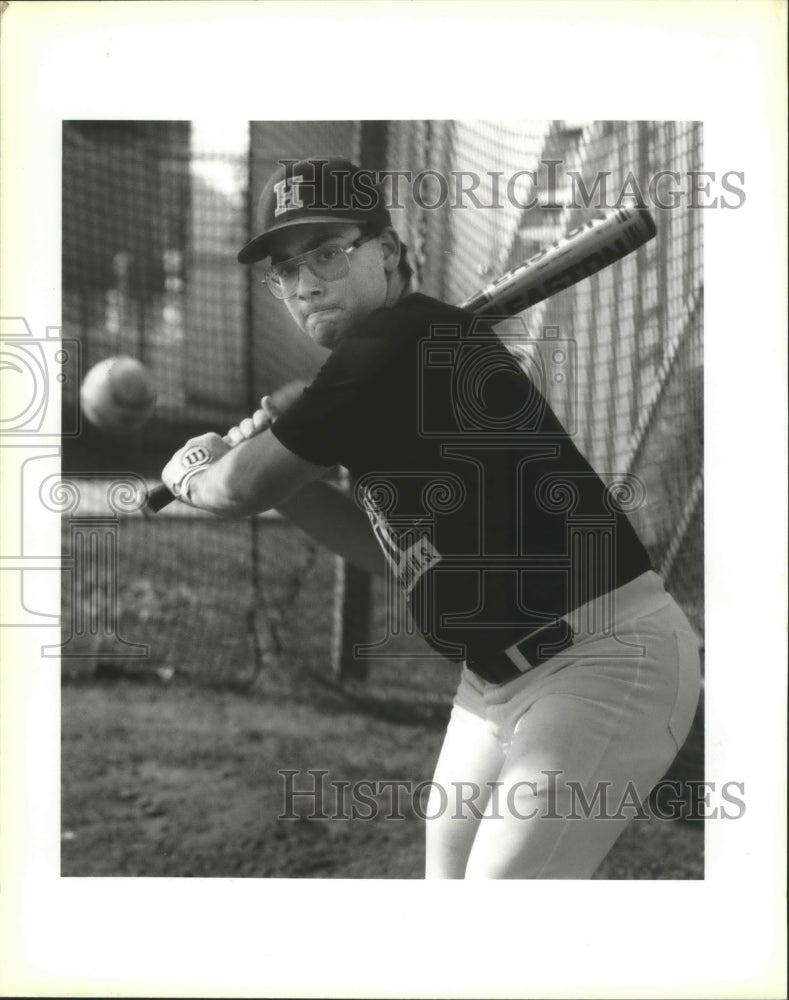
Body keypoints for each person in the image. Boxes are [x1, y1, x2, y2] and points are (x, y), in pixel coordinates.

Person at [161, 156, 702, 879]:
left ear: (386, 253)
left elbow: (231, 490)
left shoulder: (395, 341)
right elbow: (393, 555)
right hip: (490, 687)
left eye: (326, 253)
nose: (304, 283)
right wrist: (283, 476)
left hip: (600, 661)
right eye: (285, 270)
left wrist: (193, 470)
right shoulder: (383, 367)